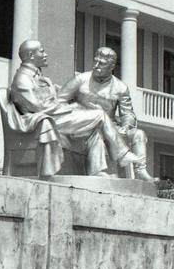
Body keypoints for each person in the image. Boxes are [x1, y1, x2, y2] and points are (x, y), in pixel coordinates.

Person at [9, 40, 142, 177]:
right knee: (99, 115)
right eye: (41, 51)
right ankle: (122, 154)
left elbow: (50, 99)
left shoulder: (38, 76)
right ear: (31, 55)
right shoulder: (23, 79)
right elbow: (39, 107)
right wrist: (72, 108)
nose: (45, 54)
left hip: (53, 117)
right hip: (44, 121)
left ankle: (96, 171)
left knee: (96, 127)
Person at [57, 47, 154, 181]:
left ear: (112, 66)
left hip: (111, 127)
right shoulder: (81, 79)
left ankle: (141, 171)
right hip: (84, 126)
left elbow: (128, 114)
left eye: (102, 64)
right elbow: (59, 100)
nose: (96, 66)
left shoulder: (121, 87)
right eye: (96, 61)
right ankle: (121, 156)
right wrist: (75, 113)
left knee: (139, 134)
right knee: (97, 127)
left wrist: (126, 126)